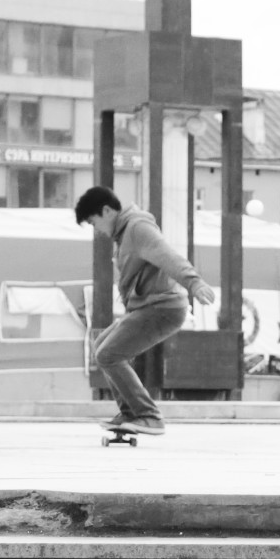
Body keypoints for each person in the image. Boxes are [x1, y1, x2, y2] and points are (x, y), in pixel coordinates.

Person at [74, 184, 218, 436]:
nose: (97, 230)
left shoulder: (137, 227)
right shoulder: (123, 233)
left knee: (109, 354)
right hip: (147, 307)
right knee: (101, 347)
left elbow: (167, 256)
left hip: (162, 308)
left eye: (93, 222)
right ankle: (130, 412)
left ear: (107, 211)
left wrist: (193, 282)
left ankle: (148, 416)